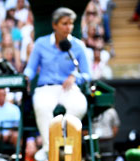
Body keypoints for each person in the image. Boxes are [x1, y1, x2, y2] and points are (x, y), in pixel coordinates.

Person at [23, 7, 90, 153]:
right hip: (46, 88)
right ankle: (50, 148)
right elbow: (31, 69)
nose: (69, 27)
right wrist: (26, 77)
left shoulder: (78, 46)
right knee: (42, 107)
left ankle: (60, 142)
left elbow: (86, 74)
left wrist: (75, 77)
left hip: (69, 88)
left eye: (71, 24)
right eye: (64, 23)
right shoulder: (41, 44)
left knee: (79, 105)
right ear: (55, 25)